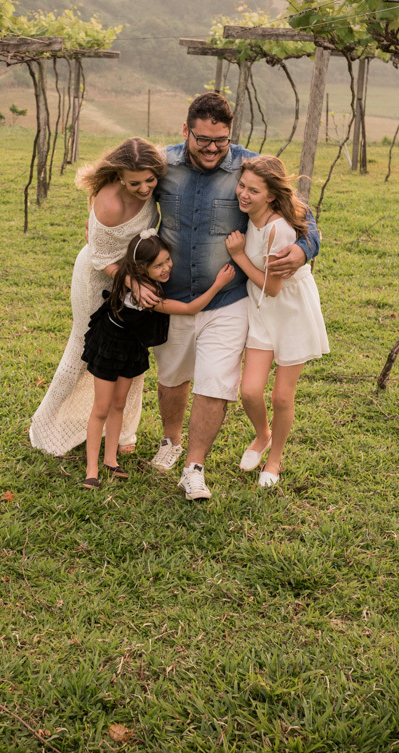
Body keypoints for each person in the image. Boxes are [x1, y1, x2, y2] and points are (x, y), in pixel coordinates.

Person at [137, 92, 320, 500]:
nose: (212, 148)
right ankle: (171, 441)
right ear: (186, 131)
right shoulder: (162, 165)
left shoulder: (248, 168)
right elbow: (127, 201)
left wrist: (303, 249)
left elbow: (302, 216)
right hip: (173, 295)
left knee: (216, 382)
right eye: (203, 140)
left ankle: (194, 467)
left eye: (220, 140)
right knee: (172, 377)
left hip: (228, 297)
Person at [30, 138, 167, 458]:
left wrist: (140, 281)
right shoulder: (109, 203)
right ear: (119, 176)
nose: (146, 188)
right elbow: (101, 258)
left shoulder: (151, 178)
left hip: (136, 280)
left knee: (133, 352)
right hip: (99, 279)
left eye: (150, 180)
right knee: (86, 350)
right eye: (135, 183)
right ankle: (49, 424)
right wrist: (135, 283)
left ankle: (124, 431)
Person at [80, 230, 235, 489]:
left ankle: (110, 460)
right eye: (158, 265)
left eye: (167, 260)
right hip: (110, 346)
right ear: (141, 268)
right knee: (101, 408)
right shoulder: (147, 294)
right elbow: (189, 309)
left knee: (119, 404)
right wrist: (218, 284)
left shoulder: (139, 280)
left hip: (132, 347)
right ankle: (91, 469)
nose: (166, 268)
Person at [225, 156, 329, 487]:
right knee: (250, 391)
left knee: (282, 396)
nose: (243, 194)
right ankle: (263, 434)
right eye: (242, 186)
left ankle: (275, 458)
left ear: (271, 196)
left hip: (289, 311)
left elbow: (272, 287)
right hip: (261, 310)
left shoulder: (279, 230)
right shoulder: (248, 218)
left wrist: (239, 257)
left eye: (253, 190)